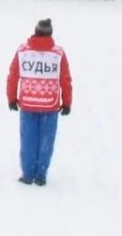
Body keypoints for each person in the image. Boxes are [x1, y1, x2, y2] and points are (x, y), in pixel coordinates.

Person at [8, 18, 73, 185]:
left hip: (28, 103)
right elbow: (65, 79)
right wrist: (67, 102)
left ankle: (28, 174)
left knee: (28, 139)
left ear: (35, 32)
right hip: (49, 105)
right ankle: (41, 174)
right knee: (46, 140)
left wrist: (11, 98)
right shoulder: (58, 53)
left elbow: (13, 75)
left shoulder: (23, 51)